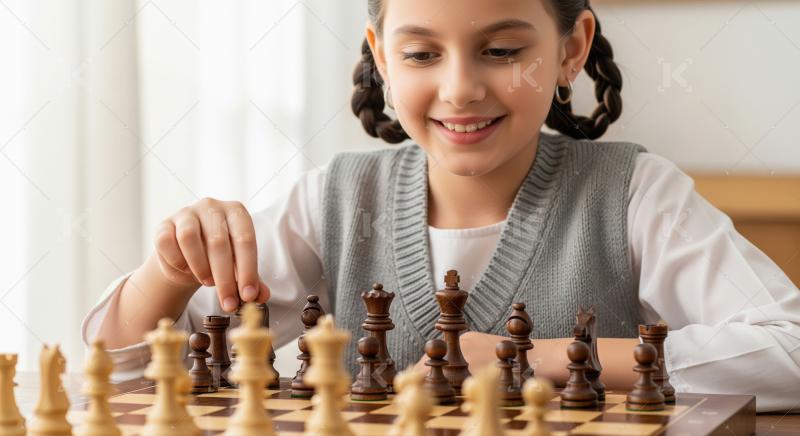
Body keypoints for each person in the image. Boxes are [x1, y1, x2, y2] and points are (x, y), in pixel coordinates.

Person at [82, 0, 800, 412]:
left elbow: (790, 353)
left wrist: (533, 359)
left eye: (501, 50)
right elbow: (120, 377)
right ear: (382, 58)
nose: (459, 89)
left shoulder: (636, 192)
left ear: (570, 50)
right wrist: (168, 272)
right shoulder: (333, 200)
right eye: (423, 55)